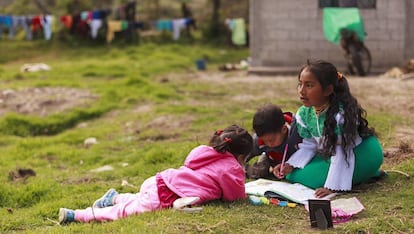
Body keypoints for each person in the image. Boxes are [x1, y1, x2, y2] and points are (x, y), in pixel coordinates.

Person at [59, 124, 253, 224]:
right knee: (122, 213)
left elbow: (189, 165)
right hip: (165, 196)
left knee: (137, 199)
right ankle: (76, 215)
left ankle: (115, 197)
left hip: (159, 181)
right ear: (241, 155)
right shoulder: (232, 168)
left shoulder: (205, 151)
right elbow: (234, 196)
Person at [273, 60, 384, 198]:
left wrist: (331, 187)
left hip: (359, 152)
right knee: (292, 174)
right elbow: (310, 145)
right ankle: (365, 175)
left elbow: (342, 150)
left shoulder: (340, 116)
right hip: (333, 152)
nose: (301, 90)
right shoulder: (304, 113)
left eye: (309, 85)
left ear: (328, 90)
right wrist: (290, 165)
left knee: (308, 180)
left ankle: (367, 170)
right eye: (300, 84)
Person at [245, 104, 302, 179]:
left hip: (294, 161)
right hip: (270, 157)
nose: (269, 144)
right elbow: (245, 154)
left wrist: (291, 165)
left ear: (284, 130)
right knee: (259, 172)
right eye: (264, 141)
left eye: (271, 140)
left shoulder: (296, 135)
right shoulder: (259, 140)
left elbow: (305, 153)